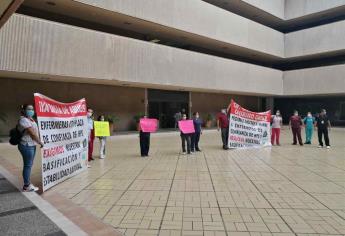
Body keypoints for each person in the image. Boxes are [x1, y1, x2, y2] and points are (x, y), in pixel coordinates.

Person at [17, 104, 44, 192]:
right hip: (26, 145)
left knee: (29, 164)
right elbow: (32, 133)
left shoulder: (30, 119)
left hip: (31, 145)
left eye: (32, 109)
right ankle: (27, 185)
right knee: (28, 165)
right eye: (29, 109)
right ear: (24, 110)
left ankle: (27, 184)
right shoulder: (24, 120)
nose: (31, 111)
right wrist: (40, 142)